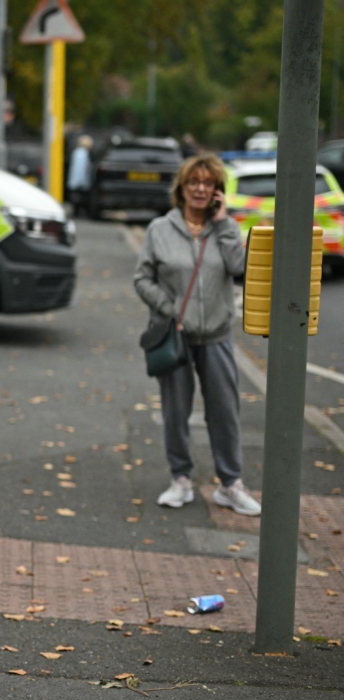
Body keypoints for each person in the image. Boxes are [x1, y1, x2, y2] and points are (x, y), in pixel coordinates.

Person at [134, 155, 258, 516]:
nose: (201, 188)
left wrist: (223, 225)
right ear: (182, 188)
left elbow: (240, 268)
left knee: (224, 411)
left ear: (218, 191)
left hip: (217, 335)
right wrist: (171, 309)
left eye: (209, 183)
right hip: (175, 336)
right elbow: (141, 279)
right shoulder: (160, 229)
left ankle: (230, 484)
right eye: (194, 182)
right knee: (176, 411)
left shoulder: (225, 228)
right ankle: (181, 479)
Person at [67, 135, 93, 213]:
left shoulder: (76, 152)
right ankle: (77, 212)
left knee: (75, 198)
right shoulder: (83, 154)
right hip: (80, 182)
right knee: (79, 198)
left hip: (75, 181)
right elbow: (80, 170)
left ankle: (76, 211)